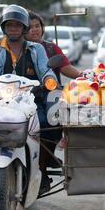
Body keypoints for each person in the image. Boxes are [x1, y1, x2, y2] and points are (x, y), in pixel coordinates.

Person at [0, 5, 58, 196]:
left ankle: (42, 172)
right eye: (9, 25)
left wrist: (49, 80)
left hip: (28, 101)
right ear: (3, 27)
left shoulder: (36, 49)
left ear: (24, 28)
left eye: (17, 25)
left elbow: (45, 69)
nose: (13, 29)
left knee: (45, 123)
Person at [26, 11, 83, 192]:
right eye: (30, 27)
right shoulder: (16, 49)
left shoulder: (50, 48)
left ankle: (44, 166)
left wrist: (88, 76)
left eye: (37, 26)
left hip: (48, 96)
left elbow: (67, 68)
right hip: (22, 98)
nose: (34, 30)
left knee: (54, 121)